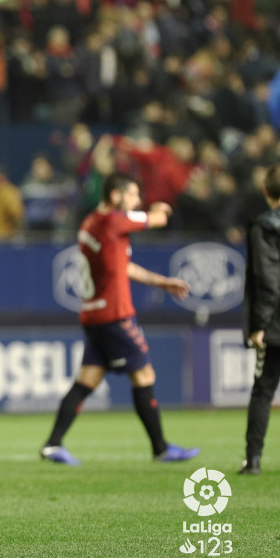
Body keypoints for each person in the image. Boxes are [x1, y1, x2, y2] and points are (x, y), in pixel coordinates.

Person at [40, 173, 200, 466]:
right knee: (144, 376)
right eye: (132, 195)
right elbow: (158, 220)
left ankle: (53, 445)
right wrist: (161, 210)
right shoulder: (114, 221)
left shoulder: (91, 223)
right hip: (116, 315)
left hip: (93, 313)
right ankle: (161, 448)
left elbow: (120, 266)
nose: (136, 201)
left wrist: (162, 282)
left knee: (86, 381)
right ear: (115, 196)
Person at [240, 165, 280, 475]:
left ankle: (253, 459)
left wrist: (260, 325)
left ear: (266, 192)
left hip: (276, 323)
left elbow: (267, 278)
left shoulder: (264, 227)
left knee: (264, 389)